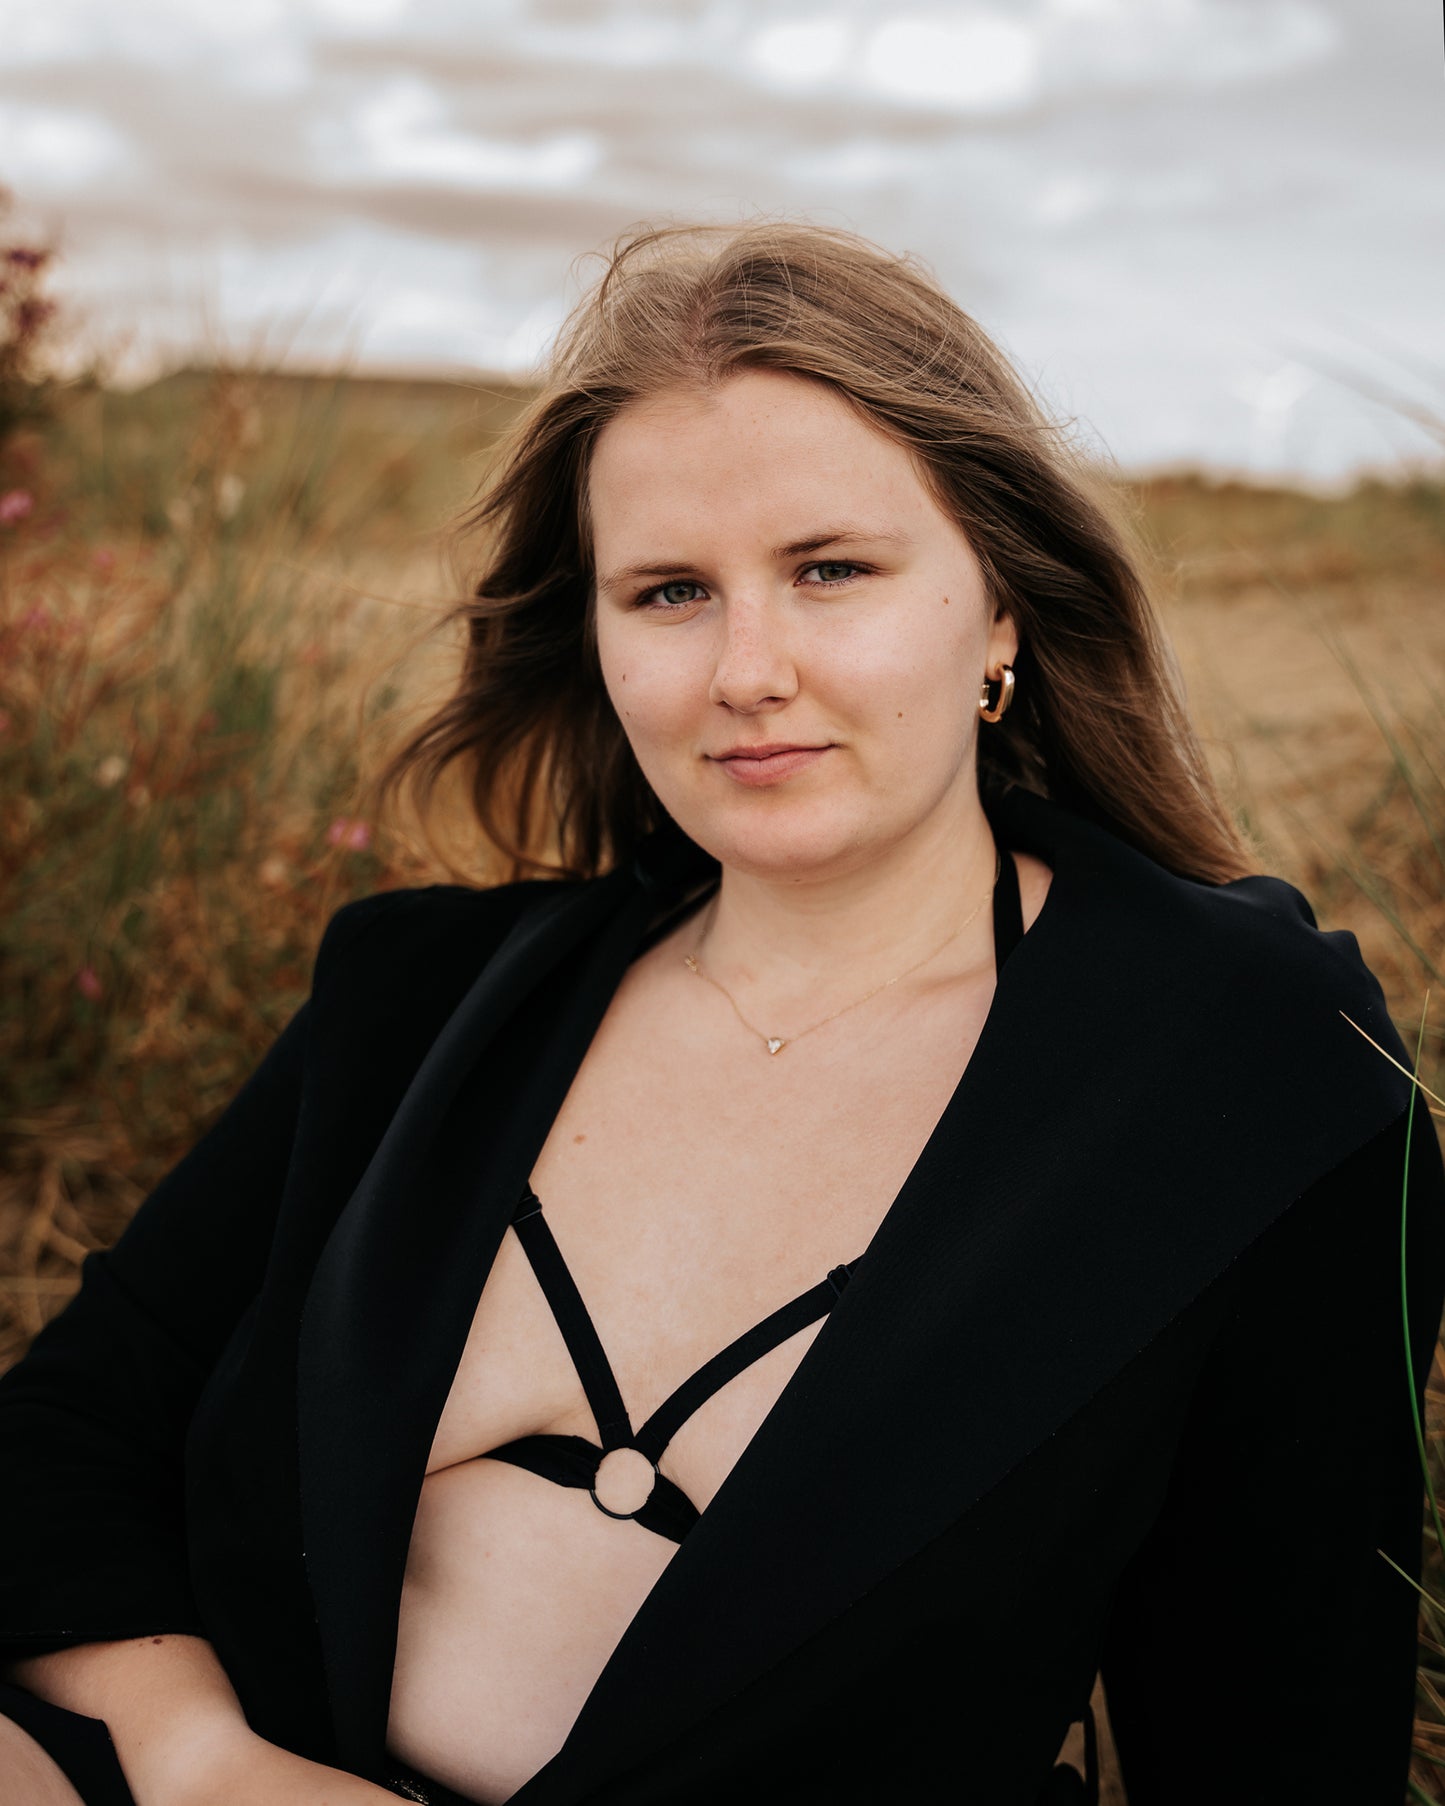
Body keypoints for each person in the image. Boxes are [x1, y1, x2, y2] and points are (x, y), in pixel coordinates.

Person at [0, 217, 1441, 1806]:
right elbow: (59, 1442)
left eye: (830, 570)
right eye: (670, 590)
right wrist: (197, 1760)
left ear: (1002, 612)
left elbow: (1284, 1733)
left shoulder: (1245, 1076)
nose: (745, 668)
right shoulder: (417, 1000)